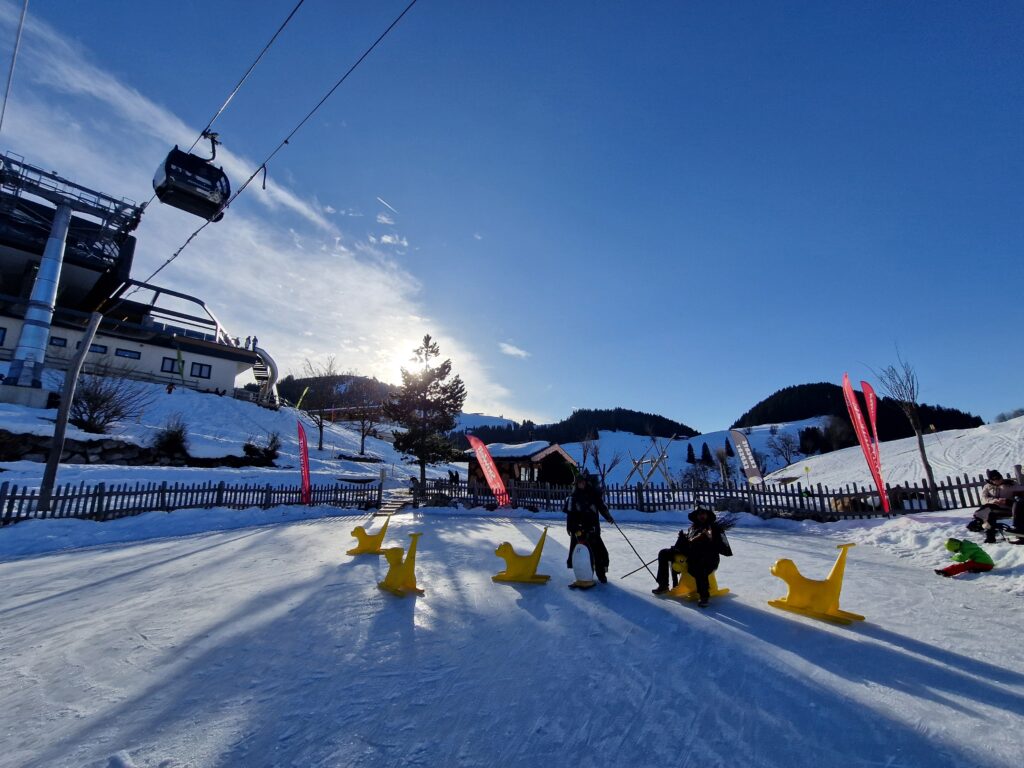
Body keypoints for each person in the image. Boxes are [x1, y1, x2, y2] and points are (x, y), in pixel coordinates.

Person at [653, 506, 732, 607]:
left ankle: (704, 596)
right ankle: (663, 585)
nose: (701, 516)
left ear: (707, 515)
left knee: (699, 563)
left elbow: (725, 550)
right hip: (690, 555)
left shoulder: (715, 529)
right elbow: (688, 546)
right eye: (699, 514)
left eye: (703, 513)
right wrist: (681, 541)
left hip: (709, 559)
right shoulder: (692, 528)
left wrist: (712, 539)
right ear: (696, 516)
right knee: (663, 553)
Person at [564, 474, 614, 583]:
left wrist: (608, 517)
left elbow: (602, 507)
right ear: (576, 484)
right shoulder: (573, 498)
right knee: (583, 555)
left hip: (593, 529)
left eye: (583, 482)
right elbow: (570, 515)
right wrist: (571, 528)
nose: (581, 484)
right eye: (579, 482)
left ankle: (601, 574)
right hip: (579, 531)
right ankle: (584, 576)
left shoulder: (593, 495)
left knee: (599, 552)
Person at [974, 470, 1024, 544]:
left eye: (1000, 478)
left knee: (987, 512)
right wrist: (994, 500)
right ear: (991, 480)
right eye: (995, 479)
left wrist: (1007, 501)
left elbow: (1022, 490)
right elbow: (983, 499)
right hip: (994, 507)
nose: (999, 480)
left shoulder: (1010, 484)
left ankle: (1018, 532)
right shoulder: (987, 487)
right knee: (988, 513)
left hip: (1009, 508)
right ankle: (990, 537)